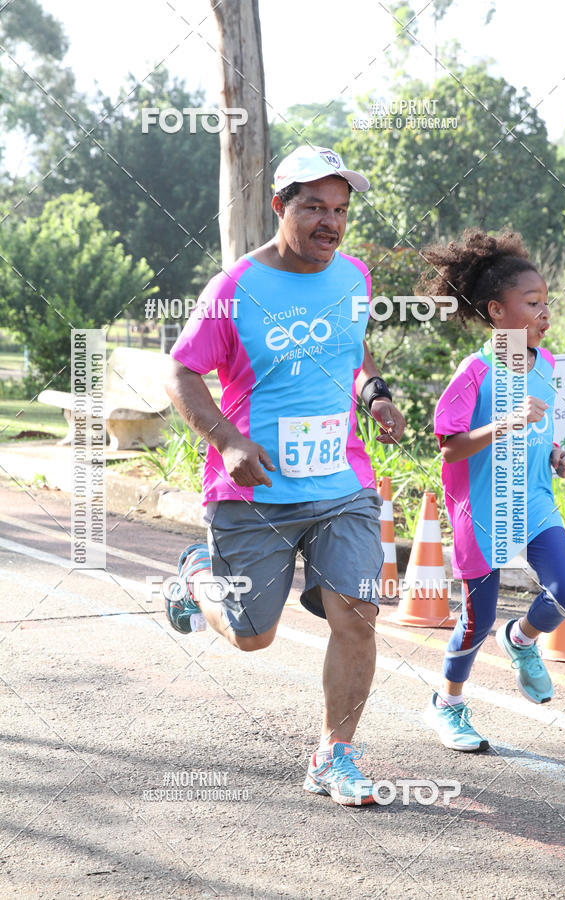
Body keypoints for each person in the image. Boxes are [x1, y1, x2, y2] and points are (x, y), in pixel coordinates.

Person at [163, 145, 406, 804]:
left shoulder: (353, 276)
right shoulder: (235, 287)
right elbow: (182, 370)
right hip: (256, 492)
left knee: (357, 614)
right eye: (313, 208)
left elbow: (352, 349)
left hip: (340, 485)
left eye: (339, 210)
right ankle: (196, 576)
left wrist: (375, 393)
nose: (330, 222)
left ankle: (336, 754)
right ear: (279, 207)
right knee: (252, 635)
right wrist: (227, 440)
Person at [418, 228, 565, 752]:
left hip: (533, 499)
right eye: (531, 303)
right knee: (477, 619)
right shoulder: (476, 371)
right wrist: (508, 422)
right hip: (481, 507)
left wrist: (558, 458)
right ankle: (448, 704)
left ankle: (523, 639)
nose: (543, 313)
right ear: (496, 311)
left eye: (546, 303)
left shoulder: (549, 364)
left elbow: (545, 435)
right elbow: (449, 447)